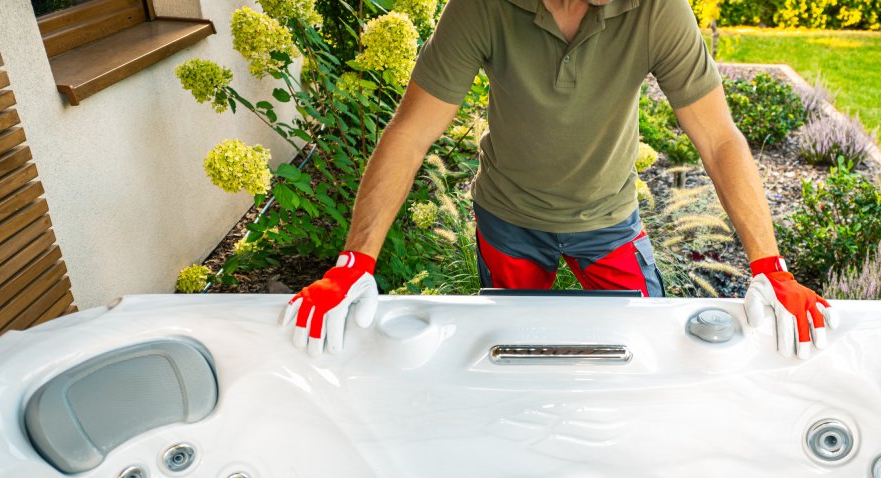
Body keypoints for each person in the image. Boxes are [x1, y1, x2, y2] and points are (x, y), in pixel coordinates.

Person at [282, 0, 834, 357]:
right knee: (511, 353)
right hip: (509, 222)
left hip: (608, 223)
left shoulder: (657, 10)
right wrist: (354, 262)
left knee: (648, 349)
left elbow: (718, 139)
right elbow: (409, 133)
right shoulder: (481, 7)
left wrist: (770, 266)